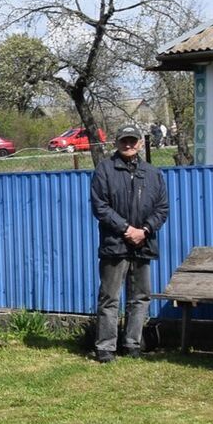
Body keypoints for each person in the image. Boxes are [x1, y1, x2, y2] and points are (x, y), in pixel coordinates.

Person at [89, 127, 168, 363]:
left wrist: (144, 230)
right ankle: (106, 347)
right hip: (115, 243)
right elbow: (100, 206)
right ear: (117, 142)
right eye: (124, 141)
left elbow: (162, 209)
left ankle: (132, 344)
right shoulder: (105, 169)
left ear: (140, 144)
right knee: (110, 297)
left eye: (133, 141)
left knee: (140, 297)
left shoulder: (152, 173)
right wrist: (126, 229)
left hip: (143, 243)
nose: (128, 145)